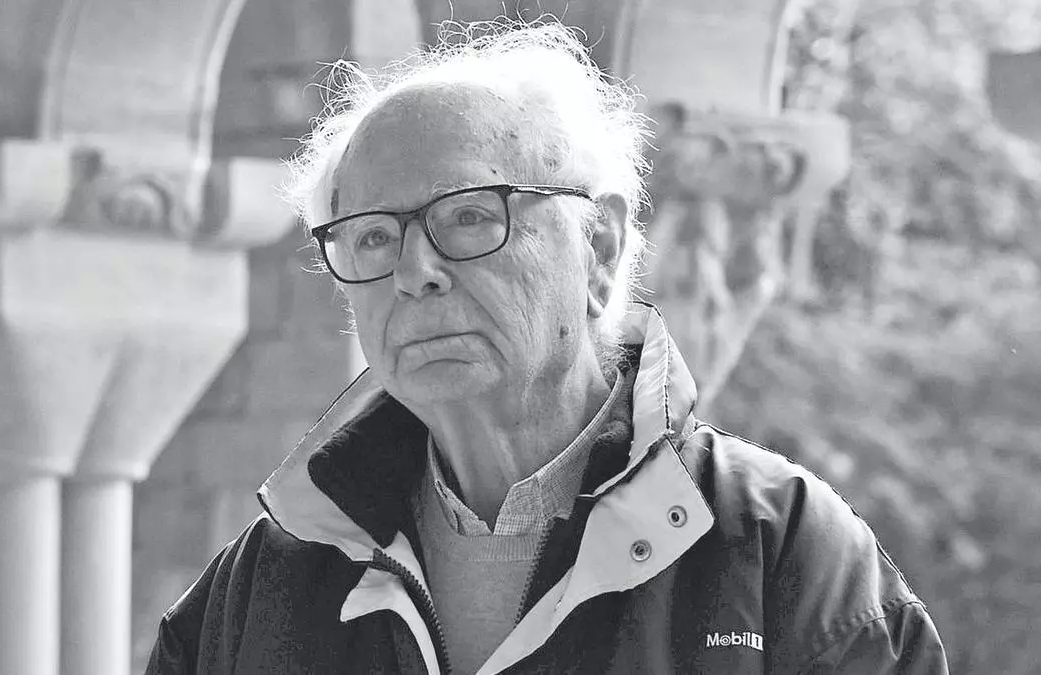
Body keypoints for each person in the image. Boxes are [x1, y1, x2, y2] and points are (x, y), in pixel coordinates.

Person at [145, 20, 948, 675]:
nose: (415, 272)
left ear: (600, 246)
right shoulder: (257, 590)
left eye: (469, 215)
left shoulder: (780, 553)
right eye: (374, 236)